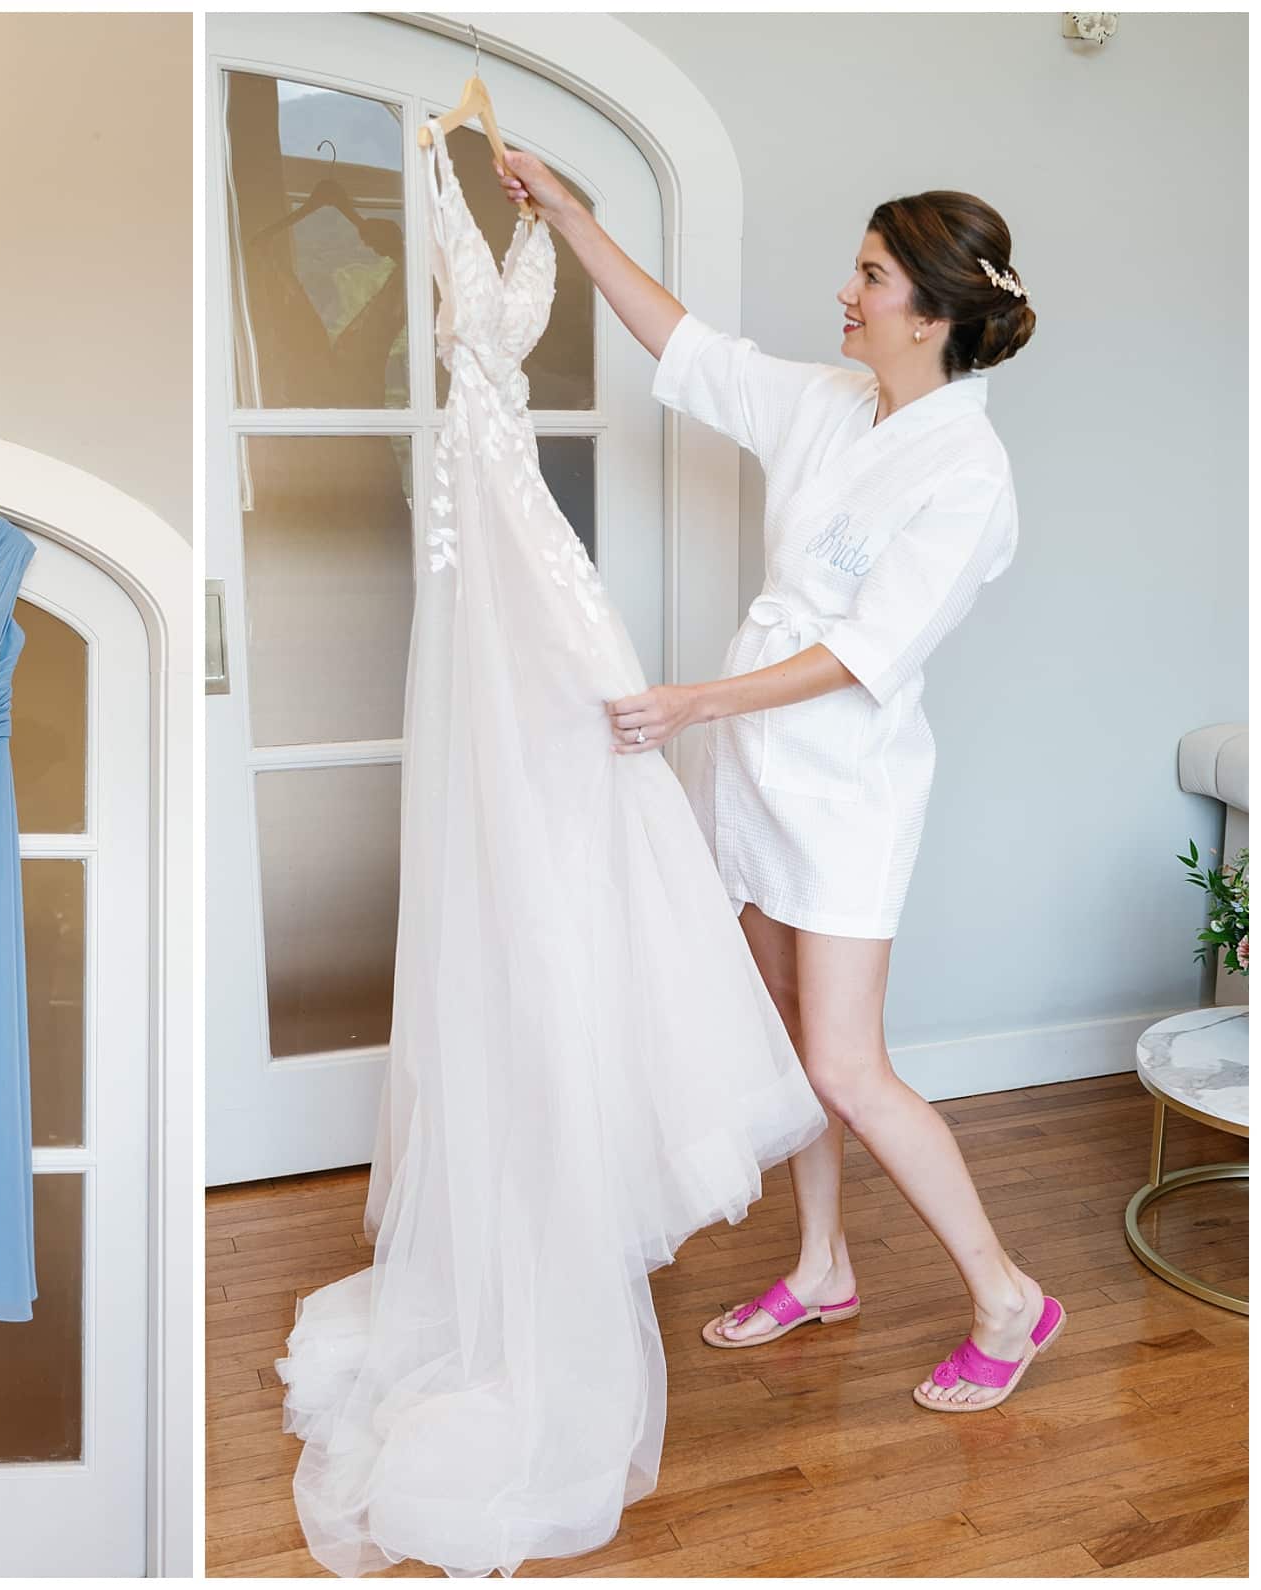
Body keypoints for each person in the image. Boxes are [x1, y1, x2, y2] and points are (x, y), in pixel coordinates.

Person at [495, 153, 1061, 1412]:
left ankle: (1009, 1298)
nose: (847, 292)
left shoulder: (966, 477)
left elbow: (866, 652)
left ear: (931, 309)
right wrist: (572, 218)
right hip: (755, 767)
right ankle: (821, 1267)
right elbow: (683, 344)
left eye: (869, 274)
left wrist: (695, 700)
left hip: (848, 787)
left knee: (849, 1065)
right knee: (786, 1049)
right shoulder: (827, 404)